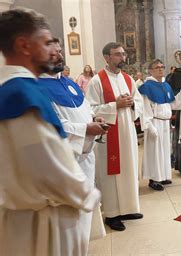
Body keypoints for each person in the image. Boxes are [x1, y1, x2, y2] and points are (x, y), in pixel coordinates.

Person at [0, 8, 101, 255]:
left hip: (22, 216)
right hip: (43, 225)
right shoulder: (22, 95)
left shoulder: (9, 89)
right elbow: (50, 165)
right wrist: (87, 194)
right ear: (24, 45)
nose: (54, 50)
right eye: (46, 42)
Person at [38, 38, 107, 241]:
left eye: (60, 51)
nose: (59, 56)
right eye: (53, 53)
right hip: (65, 163)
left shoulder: (69, 83)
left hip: (85, 157)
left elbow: (84, 109)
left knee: (83, 216)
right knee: (69, 220)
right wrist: (86, 128)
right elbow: (51, 127)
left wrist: (94, 119)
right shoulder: (38, 88)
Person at [86, 42, 144, 231]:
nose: (122, 57)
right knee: (111, 174)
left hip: (127, 132)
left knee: (128, 168)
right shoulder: (97, 81)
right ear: (107, 57)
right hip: (109, 135)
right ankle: (112, 214)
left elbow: (139, 101)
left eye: (123, 54)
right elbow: (91, 109)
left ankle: (128, 207)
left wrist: (133, 104)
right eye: (118, 54)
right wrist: (114, 106)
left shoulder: (128, 79)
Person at [139, 59, 181, 190]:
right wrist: (149, 126)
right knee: (155, 152)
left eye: (162, 67)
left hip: (165, 123)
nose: (161, 69)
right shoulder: (147, 87)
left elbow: (173, 104)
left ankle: (163, 176)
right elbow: (144, 109)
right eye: (157, 67)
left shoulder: (166, 85)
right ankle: (154, 179)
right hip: (154, 122)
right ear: (150, 70)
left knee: (164, 151)